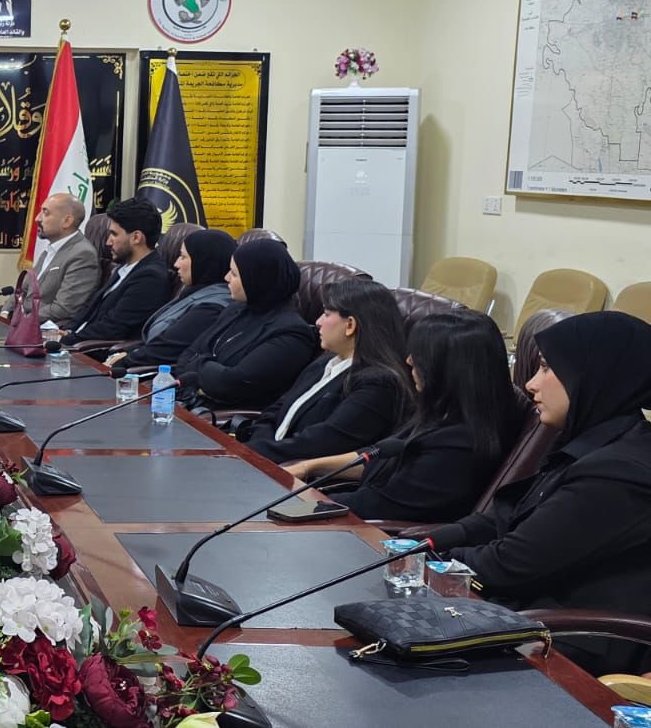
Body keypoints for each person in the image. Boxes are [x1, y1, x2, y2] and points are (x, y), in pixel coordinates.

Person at [432, 311, 651, 676]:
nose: (531, 384)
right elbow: (505, 518)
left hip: (571, 644)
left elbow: (510, 564)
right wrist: (428, 543)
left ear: (593, 374)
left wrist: (435, 562)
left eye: (548, 368)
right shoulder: (589, 442)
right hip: (531, 619)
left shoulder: (619, 472)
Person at [292, 310, 522, 522]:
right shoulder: (444, 412)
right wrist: (309, 467)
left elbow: (377, 505)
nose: (409, 360)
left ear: (449, 368)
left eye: (420, 355)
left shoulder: (458, 447)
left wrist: (302, 502)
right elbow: (377, 458)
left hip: (378, 534)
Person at [242, 279, 413, 463]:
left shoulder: (378, 384)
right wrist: (256, 446)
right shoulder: (326, 361)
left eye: (326, 314)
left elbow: (322, 443)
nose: (317, 322)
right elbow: (276, 410)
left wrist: (251, 453)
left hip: (298, 473)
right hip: (266, 458)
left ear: (350, 325)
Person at [173, 238, 318, 411]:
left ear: (257, 280)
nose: (226, 277)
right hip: (190, 405)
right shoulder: (236, 309)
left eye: (234, 274)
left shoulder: (291, 335)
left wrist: (197, 369)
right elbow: (187, 355)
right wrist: (205, 373)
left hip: (222, 418)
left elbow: (231, 384)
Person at [106, 228, 236, 370]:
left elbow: (166, 348)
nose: (176, 264)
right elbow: (158, 340)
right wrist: (125, 352)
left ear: (203, 262)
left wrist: (123, 361)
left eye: (183, 257)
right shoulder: (196, 292)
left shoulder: (212, 307)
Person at [60, 198, 172, 346]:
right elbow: (89, 309)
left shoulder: (151, 278)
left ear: (136, 237)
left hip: (93, 352)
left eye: (114, 234)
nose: (108, 242)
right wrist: (66, 331)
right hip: (75, 341)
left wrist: (65, 340)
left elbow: (112, 328)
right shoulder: (124, 267)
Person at [13, 193, 100, 329]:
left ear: (67, 221)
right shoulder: (50, 249)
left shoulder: (83, 254)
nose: (37, 218)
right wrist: (4, 312)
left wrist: (21, 319)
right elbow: (23, 291)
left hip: (41, 329)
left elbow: (63, 309)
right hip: (22, 323)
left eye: (45, 213)